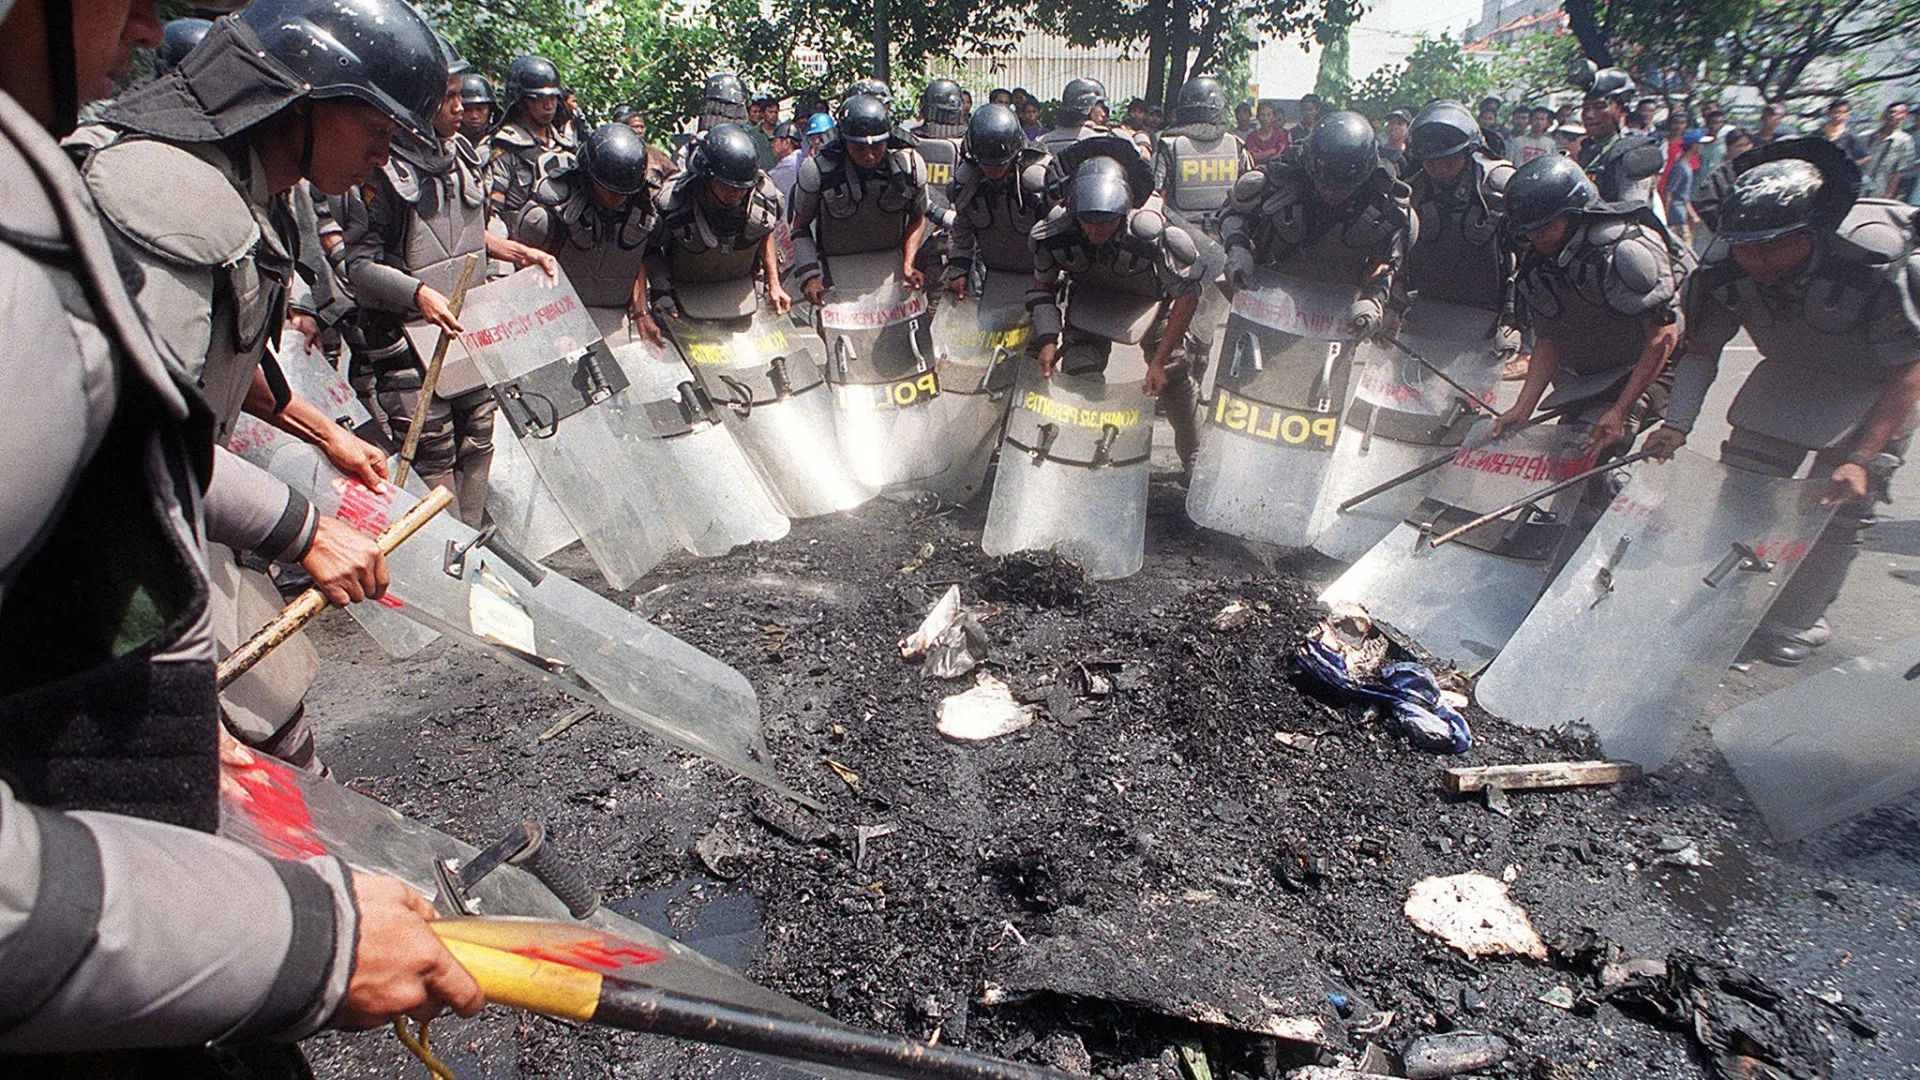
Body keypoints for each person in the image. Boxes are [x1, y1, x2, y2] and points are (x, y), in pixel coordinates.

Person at [1, 0, 482, 1062]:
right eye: (374, 126)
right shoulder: (171, 205)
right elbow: (111, 468)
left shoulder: (243, 193)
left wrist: (309, 486)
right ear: (300, 101)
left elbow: (181, 410)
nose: (385, 154)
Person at [1635, 140, 1919, 665]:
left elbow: (1909, 368)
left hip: (1876, 385)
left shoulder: (1871, 261)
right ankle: (1721, 601)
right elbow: (1702, 349)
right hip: (1788, 374)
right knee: (1743, 492)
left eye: (1770, 247)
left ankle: (1800, 617)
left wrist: (1862, 457)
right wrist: (1677, 423)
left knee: (1842, 507)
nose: (1754, 260)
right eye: (1745, 247)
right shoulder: (1725, 265)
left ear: (1810, 234)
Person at [340, 53, 557, 529]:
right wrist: (418, 293)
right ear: (418, 101)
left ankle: (474, 544)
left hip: (464, 328)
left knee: (479, 436)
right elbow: (358, 265)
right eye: (449, 98)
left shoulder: (463, 156)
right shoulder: (382, 169)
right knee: (432, 449)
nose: (460, 108)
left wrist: (519, 252)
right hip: (405, 336)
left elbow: (467, 235)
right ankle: (449, 549)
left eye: (461, 96)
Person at [1493, 155, 1687, 450]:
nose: (1535, 236)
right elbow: (1549, 338)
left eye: (1545, 226)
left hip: (1653, 369)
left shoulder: (1622, 252)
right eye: (1529, 230)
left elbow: (1662, 337)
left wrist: (1620, 410)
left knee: (1590, 445)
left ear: (1573, 214)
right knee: (1566, 452)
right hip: (1594, 376)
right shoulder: (1541, 261)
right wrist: (1522, 408)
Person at [1028, 149, 1204, 429]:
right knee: (1080, 378)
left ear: (1123, 212)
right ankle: (1084, 446)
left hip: (1150, 305)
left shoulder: (1150, 235)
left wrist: (1159, 362)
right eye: (1088, 220)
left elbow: (1187, 295)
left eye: (1107, 221)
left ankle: (1193, 451)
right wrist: (1048, 339)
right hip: (1090, 304)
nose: (1096, 229)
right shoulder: (1056, 234)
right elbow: (1042, 286)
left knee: (1174, 378)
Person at [1221, 110, 1414, 343]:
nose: (1330, 192)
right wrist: (1238, 248)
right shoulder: (1279, 180)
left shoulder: (1385, 206)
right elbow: (1233, 211)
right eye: (1323, 184)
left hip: (1335, 319)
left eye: (1341, 188)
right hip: (1266, 304)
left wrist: (1374, 299)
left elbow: (1386, 262)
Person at [514, 121, 667, 336]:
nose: (618, 197)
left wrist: (642, 313)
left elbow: (635, 257)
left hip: (613, 316)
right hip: (553, 313)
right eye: (610, 189)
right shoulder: (554, 211)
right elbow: (522, 272)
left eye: (624, 192)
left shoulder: (641, 210)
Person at [637, 121, 792, 328]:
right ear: (706, 177)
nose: (736, 193)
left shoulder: (762, 200)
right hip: (685, 296)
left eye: (742, 188)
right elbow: (650, 250)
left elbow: (764, 233)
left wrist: (774, 283)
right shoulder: (673, 206)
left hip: (741, 294)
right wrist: (660, 290)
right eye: (727, 186)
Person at [787, 92, 929, 302]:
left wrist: (908, 264)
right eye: (859, 148)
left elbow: (918, 218)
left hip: (890, 270)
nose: (869, 155)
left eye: (877, 146)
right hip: (835, 273)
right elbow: (800, 226)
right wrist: (811, 276)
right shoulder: (817, 171)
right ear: (844, 142)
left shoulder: (910, 168)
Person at [1403, 100, 1517, 324]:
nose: (1439, 165)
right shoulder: (1413, 191)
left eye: (1449, 157)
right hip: (1427, 307)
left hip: (1492, 312)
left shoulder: (1498, 186)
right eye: (1431, 159)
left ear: (1468, 150)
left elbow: (1530, 252)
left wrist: (1514, 312)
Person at [946, 102, 1053, 302]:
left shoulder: (1039, 178)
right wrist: (958, 268)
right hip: (995, 274)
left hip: (1040, 276)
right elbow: (962, 224)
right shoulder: (970, 181)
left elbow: (1060, 226)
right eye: (985, 163)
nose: (992, 169)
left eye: (1000, 163)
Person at [1152, 74, 1251, 240]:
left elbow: (1157, 192)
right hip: (1226, 232)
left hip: (1181, 232)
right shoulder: (1236, 144)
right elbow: (1248, 189)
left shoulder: (1169, 144)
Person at [487, 56, 575, 220]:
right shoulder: (506, 147)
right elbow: (493, 208)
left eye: (553, 98)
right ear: (520, 102)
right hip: (518, 232)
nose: (549, 106)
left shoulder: (566, 145)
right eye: (540, 99)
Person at [1576, 66, 1663, 207]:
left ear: (1622, 110)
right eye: (1585, 108)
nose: (1589, 115)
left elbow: (1631, 209)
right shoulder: (1588, 150)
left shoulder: (1633, 153)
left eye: (1600, 107)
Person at [1862, 102, 1915, 198]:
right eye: (1891, 112)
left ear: (1905, 116)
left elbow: (1900, 170)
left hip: (1881, 188)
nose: (1893, 115)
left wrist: (1890, 193)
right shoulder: (1866, 136)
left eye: (1899, 113)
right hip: (1858, 184)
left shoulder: (1905, 141)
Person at [457, 72, 498, 144]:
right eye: (467, 110)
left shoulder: (501, 141)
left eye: (480, 109)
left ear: (490, 110)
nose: (474, 116)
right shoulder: (447, 142)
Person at [1244, 100, 1289, 164]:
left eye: (1269, 115)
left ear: (1274, 117)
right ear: (1258, 117)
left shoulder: (1280, 135)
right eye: (1262, 115)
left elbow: (1279, 155)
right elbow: (1251, 157)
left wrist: (1261, 154)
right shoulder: (1252, 137)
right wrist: (1271, 151)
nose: (1265, 118)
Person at [769, 118, 804, 200]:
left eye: (775, 141)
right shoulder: (803, 159)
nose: (772, 145)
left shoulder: (789, 165)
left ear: (787, 142)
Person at [1379, 107, 1412, 171]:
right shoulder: (1376, 152)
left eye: (1400, 124)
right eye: (1391, 123)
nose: (1394, 127)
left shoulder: (1410, 156)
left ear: (1408, 128)